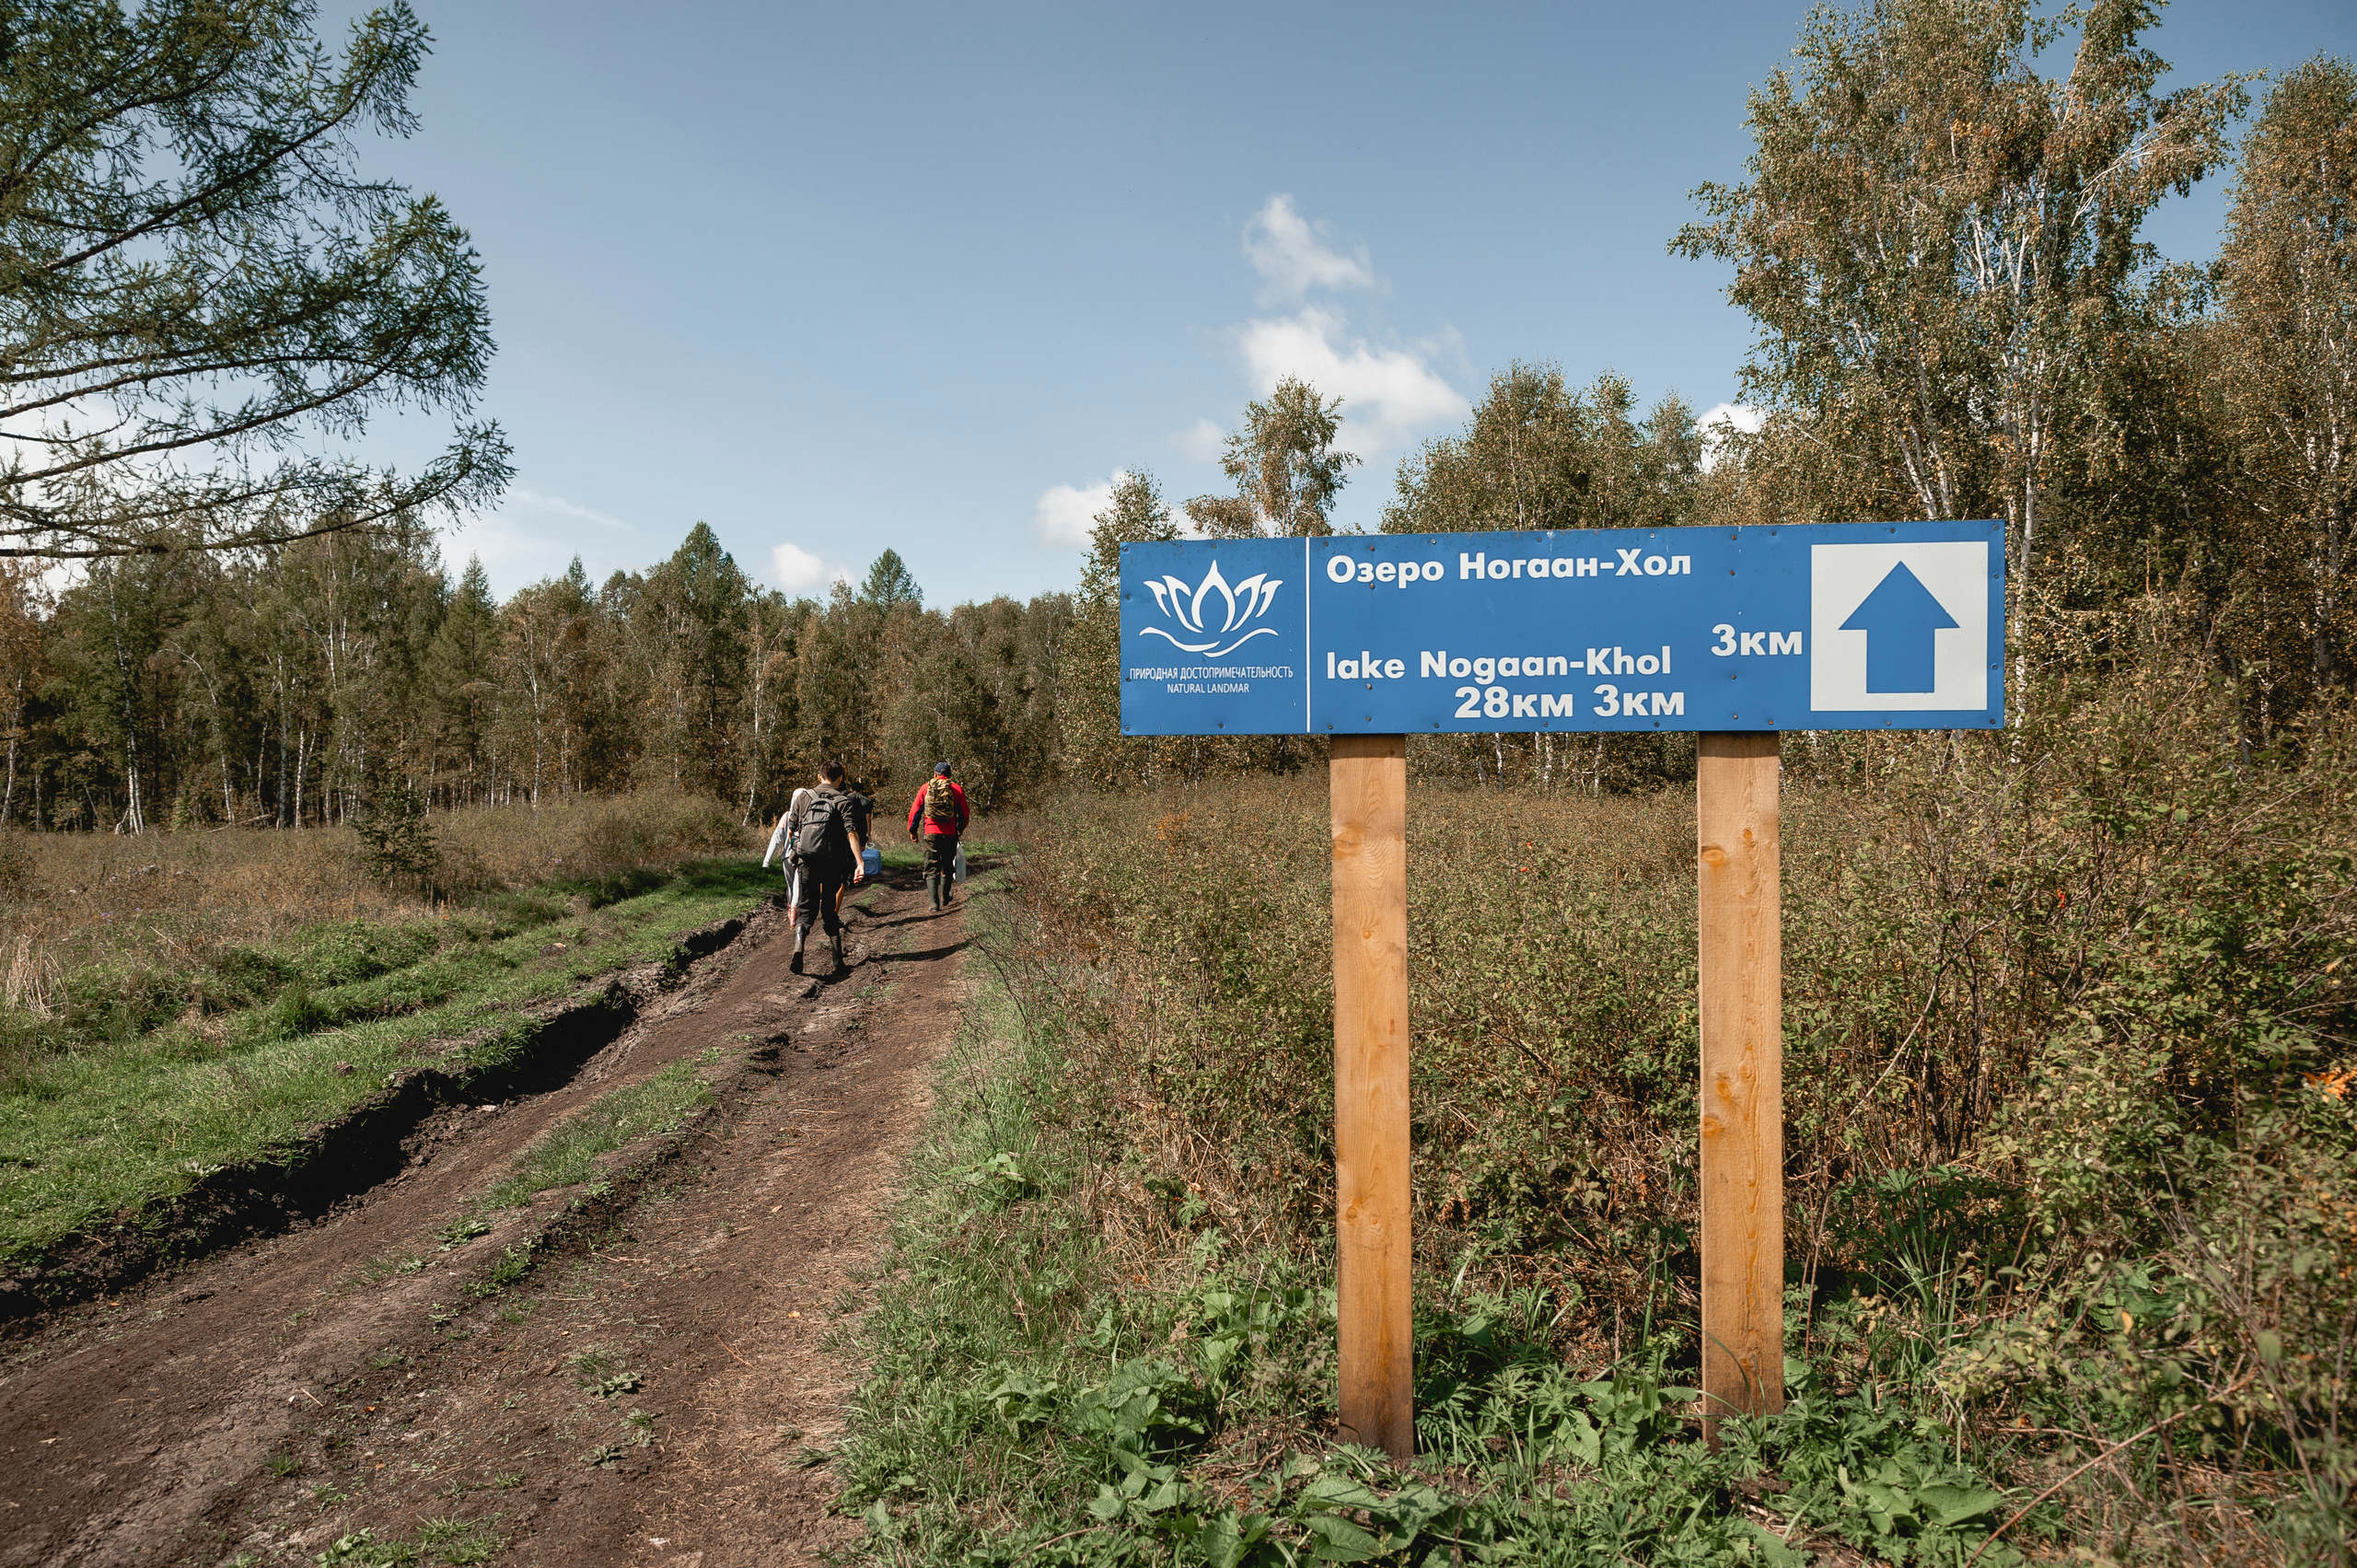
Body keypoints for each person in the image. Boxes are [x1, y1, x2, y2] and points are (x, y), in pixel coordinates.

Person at [785, 760, 865, 973]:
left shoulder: (803, 797)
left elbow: (791, 829)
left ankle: (799, 946)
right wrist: (859, 863)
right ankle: (837, 959)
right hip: (833, 864)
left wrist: (797, 850)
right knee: (829, 909)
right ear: (841, 778)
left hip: (806, 862)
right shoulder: (844, 801)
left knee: (806, 909)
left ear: (819, 776)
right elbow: (851, 833)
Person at [906, 761, 970, 912]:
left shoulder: (925, 788)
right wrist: (960, 829)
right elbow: (965, 814)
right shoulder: (956, 789)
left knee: (931, 867)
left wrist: (913, 831)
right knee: (947, 866)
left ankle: (934, 904)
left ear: (935, 774)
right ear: (949, 775)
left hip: (931, 833)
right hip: (950, 833)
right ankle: (945, 897)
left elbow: (915, 812)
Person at [761, 781, 815, 923]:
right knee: (797, 886)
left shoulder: (786, 816)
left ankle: (792, 911)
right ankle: (794, 912)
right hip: (801, 856)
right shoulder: (810, 815)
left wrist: (767, 860)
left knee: (792, 886)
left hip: (786, 858)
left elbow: (776, 838)